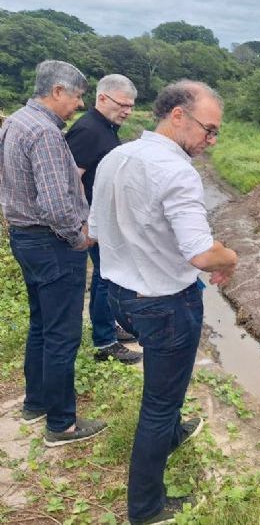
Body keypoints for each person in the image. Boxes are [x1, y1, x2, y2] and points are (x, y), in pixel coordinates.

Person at [90, 80, 237, 525]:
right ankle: (146, 508)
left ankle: (172, 433)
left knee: (163, 387)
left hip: (120, 297)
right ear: (177, 116)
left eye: (215, 134)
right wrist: (231, 256)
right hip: (165, 303)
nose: (210, 142)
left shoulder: (116, 158)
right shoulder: (176, 171)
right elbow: (201, 252)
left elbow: (93, 229)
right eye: (207, 130)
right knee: (159, 403)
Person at [0, 60, 107, 446]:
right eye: (78, 96)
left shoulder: (15, 121)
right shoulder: (44, 132)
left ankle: (37, 403)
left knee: (42, 324)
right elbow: (55, 204)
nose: (79, 104)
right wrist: (78, 237)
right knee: (62, 334)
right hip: (52, 243)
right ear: (58, 91)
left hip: (25, 238)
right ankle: (62, 425)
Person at [65, 74, 142, 365]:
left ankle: (108, 326)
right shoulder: (88, 130)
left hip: (105, 219)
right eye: (123, 104)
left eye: (131, 106)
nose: (128, 111)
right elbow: (71, 181)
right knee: (104, 278)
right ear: (102, 99)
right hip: (94, 222)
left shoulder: (106, 126)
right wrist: (84, 223)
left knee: (107, 277)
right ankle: (104, 342)